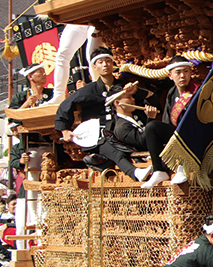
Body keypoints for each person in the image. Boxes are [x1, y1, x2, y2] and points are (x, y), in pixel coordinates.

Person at [54, 47, 151, 183]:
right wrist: (65, 130)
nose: (105, 65)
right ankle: (135, 173)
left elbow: (151, 99)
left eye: (108, 61)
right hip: (99, 136)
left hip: (124, 131)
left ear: (113, 63)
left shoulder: (124, 86)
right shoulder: (89, 90)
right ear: (94, 66)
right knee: (115, 151)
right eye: (100, 62)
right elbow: (66, 105)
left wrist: (136, 91)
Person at [137, 55, 196, 188]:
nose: (182, 76)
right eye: (178, 72)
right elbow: (167, 122)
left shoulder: (198, 91)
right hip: (177, 136)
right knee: (152, 127)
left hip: (195, 134)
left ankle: (183, 167)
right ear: (170, 76)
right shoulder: (171, 93)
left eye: (186, 71)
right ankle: (158, 170)